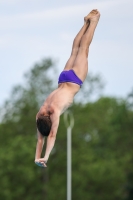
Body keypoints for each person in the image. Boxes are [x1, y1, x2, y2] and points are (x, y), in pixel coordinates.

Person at [35, 9, 100, 167]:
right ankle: (86, 22)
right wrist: (37, 158)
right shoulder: (40, 114)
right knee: (75, 49)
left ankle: (94, 21)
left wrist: (46, 157)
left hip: (74, 80)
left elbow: (50, 136)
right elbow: (39, 138)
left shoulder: (55, 112)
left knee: (84, 49)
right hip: (63, 78)